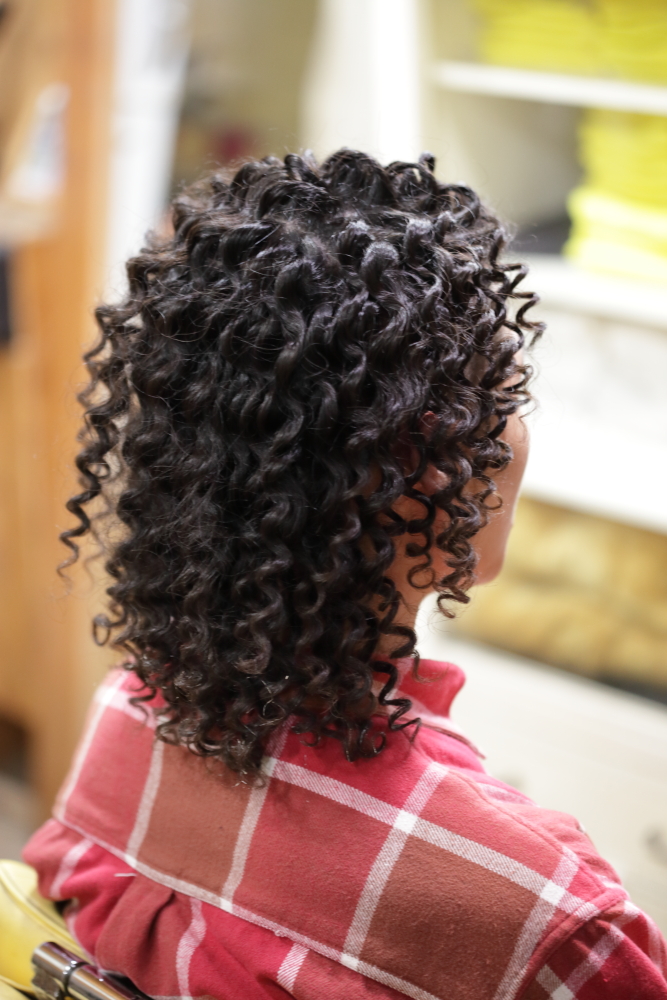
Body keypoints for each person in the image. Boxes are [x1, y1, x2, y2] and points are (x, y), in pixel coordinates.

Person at [24, 150, 667, 1000]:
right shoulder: (547, 916)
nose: (518, 434)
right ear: (419, 466)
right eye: (506, 397)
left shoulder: (125, 718)